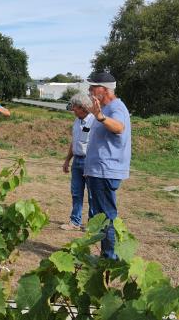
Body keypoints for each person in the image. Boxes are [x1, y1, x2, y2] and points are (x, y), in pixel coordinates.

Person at [84, 72, 131, 260]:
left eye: (92, 87)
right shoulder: (105, 108)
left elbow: (119, 127)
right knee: (102, 216)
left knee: (107, 216)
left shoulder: (115, 108)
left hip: (105, 171)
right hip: (97, 171)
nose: (89, 91)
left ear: (104, 90)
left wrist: (101, 117)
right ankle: (107, 254)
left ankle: (109, 258)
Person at [61, 93, 94, 231]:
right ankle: (75, 221)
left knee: (93, 194)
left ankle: (93, 224)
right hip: (77, 161)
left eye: (74, 107)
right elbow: (74, 143)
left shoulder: (94, 121)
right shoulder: (76, 121)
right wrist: (67, 160)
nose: (72, 109)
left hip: (90, 161)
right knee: (76, 192)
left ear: (82, 107)